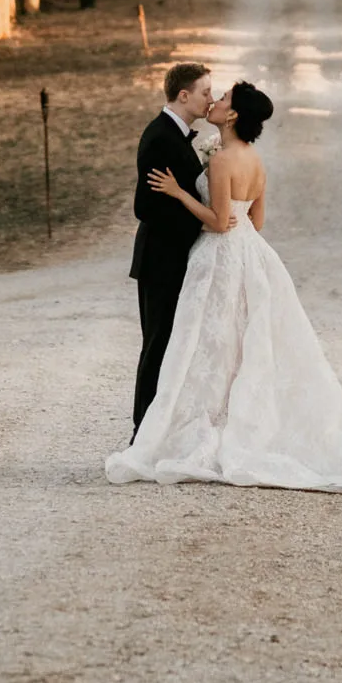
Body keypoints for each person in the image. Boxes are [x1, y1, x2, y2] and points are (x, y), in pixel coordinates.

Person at [107, 80, 342, 494]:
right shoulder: (255, 160)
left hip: (218, 258)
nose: (216, 102)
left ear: (233, 115)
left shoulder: (220, 161)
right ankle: (231, 420)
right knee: (240, 343)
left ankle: (203, 426)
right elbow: (255, 223)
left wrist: (181, 193)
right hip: (251, 255)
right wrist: (229, 220)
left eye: (223, 100)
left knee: (209, 345)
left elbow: (219, 223)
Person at [128, 61, 231, 434]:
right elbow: (146, 207)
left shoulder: (179, 135)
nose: (210, 99)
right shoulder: (160, 137)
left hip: (179, 257)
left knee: (175, 344)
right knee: (157, 344)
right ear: (183, 95)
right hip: (161, 259)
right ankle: (142, 432)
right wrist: (204, 218)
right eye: (205, 92)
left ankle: (166, 429)